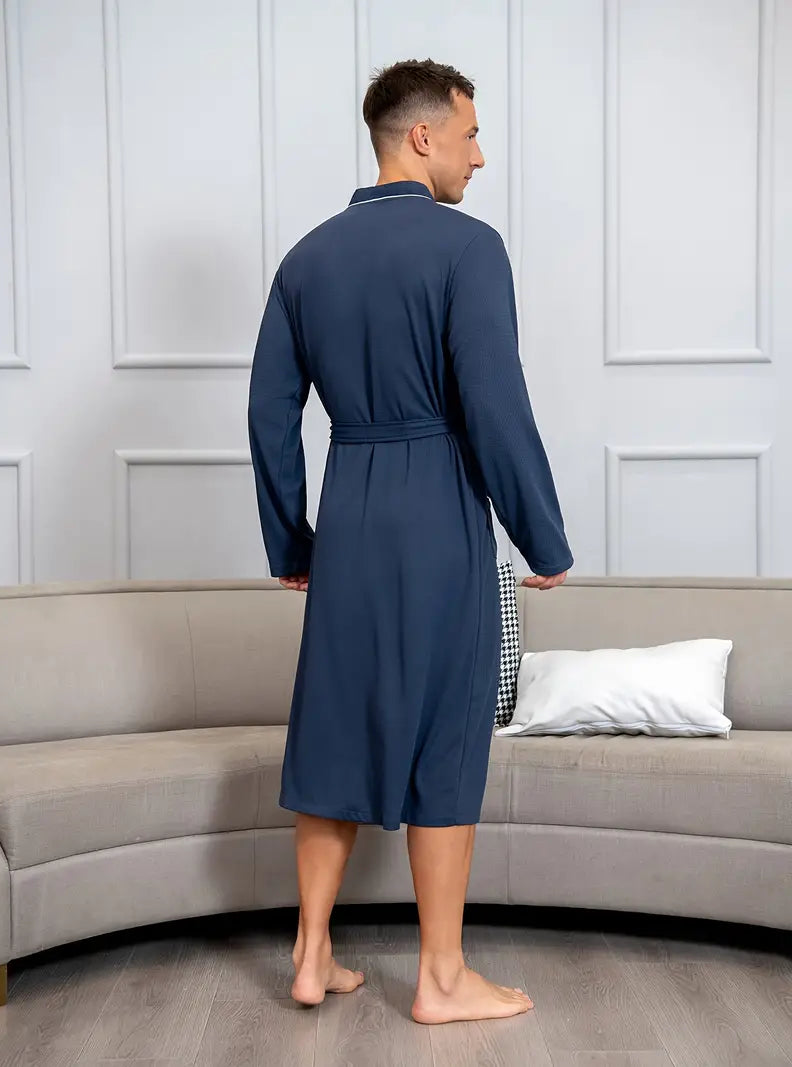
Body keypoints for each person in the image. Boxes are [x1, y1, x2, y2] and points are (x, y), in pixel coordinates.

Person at [247, 58, 573, 1025]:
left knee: (334, 724)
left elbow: (268, 416)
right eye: (470, 134)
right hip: (437, 512)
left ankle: (312, 953)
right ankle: (440, 977)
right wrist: (542, 536)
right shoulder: (469, 248)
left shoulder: (305, 259)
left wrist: (291, 542)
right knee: (445, 729)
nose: (480, 156)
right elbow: (496, 405)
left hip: (349, 513)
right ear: (422, 136)